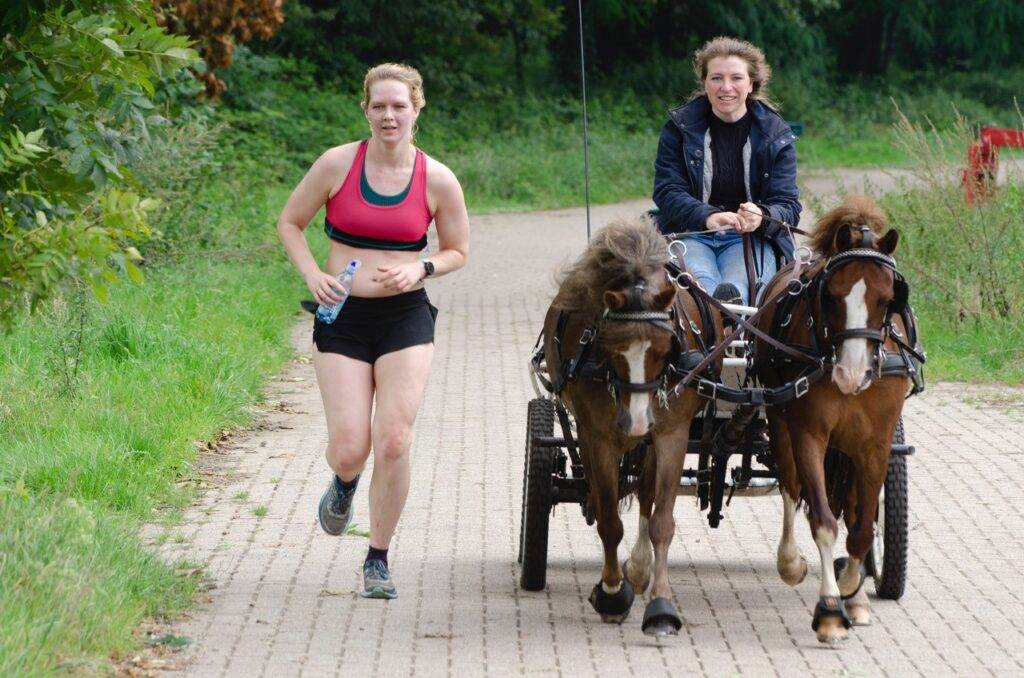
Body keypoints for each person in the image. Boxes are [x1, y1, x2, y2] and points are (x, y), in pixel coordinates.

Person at [277, 63, 469, 599]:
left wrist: (422, 268)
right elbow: (289, 222)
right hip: (343, 317)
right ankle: (343, 483)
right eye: (379, 106)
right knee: (349, 446)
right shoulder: (337, 164)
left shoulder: (437, 179)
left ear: (416, 109)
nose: (389, 115)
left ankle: (378, 558)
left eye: (399, 106)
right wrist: (313, 273)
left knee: (393, 439)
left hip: (405, 316)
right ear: (366, 109)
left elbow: (459, 250)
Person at [653, 36, 801, 306]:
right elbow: (667, 191)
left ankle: (731, 331)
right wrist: (708, 216)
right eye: (716, 78)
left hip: (749, 238)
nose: (726, 87)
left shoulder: (776, 135)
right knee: (698, 288)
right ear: (705, 83)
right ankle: (710, 330)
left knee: (739, 290)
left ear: (752, 83)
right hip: (691, 233)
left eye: (736, 78)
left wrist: (763, 216)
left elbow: (788, 206)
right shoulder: (678, 128)